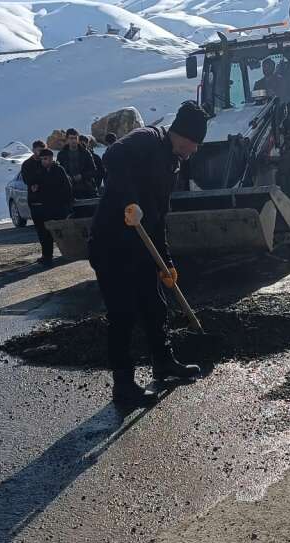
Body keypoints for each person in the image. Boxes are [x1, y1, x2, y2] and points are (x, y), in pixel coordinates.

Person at [89, 101, 209, 407]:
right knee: (123, 314)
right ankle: (124, 386)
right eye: (194, 143)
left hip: (141, 247)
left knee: (155, 306)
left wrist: (166, 263)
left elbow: (158, 218)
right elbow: (112, 155)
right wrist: (129, 201)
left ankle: (163, 363)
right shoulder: (147, 138)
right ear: (183, 135)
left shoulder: (173, 164)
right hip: (111, 245)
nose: (194, 150)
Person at [30, 148, 73, 266]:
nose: (43, 161)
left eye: (45, 159)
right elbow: (35, 185)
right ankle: (47, 256)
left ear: (50, 158)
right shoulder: (40, 171)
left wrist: (67, 206)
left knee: (62, 233)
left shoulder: (59, 170)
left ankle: (69, 253)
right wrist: (35, 189)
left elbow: (67, 188)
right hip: (45, 208)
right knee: (45, 234)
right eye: (42, 159)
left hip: (58, 207)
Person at [58, 128, 98, 199]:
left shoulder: (85, 153)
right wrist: (67, 177)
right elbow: (58, 171)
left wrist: (82, 176)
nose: (73, 140)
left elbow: (94, 171)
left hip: (85, 188)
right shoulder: (62, 154)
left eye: (75, 138)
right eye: (71, 138)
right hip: (69, 189)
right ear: (67, 139)